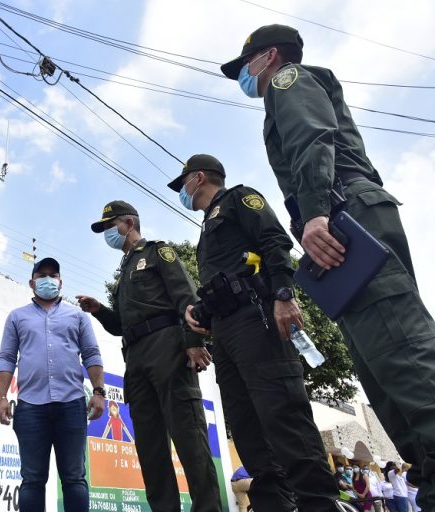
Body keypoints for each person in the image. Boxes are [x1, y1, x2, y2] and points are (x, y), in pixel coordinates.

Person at [221, 23, 435, 511]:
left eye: (246, 65)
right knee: (379, 369)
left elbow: (312, 139)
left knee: (400, 351)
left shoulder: (287, 81)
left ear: (269, 56)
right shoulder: (283, 87)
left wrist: (316, 210)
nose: (245, 77)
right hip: (344, 220)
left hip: (342, 214)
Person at [170, 154, 339, 511]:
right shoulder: (205, 228)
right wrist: (200, 313)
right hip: (226, 332)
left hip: (257, 317)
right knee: (247, 428)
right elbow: (224, 281)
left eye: (182, 182)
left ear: (198, 178)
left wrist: (283, 294)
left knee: (284, 416)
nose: (181, 191)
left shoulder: (239, 199)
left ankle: (319, 504)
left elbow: (274, 241)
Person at [77, 200, 222, 512]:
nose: (107, 233)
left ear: (129, 223)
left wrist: (194, 340)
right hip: (136, 359)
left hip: (168, 348)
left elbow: (186, 296)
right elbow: (121, 327)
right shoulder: (124, 273)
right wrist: (100, 311)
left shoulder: (157, 252)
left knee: (189, 438)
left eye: (109, 225)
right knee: (150, 447)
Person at [0, 257, 105, 512]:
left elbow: (91, 353)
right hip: (31, 407)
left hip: (71, 405)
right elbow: (7, 358)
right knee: (32, 480)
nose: (47, 279)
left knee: (75, 478)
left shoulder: (77, 316)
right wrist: (1, 397)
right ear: (32, 282)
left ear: (60, 282)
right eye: (42, 275)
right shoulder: (16, 317)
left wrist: (98, 392)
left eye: (52, 275)